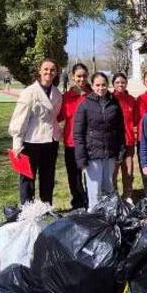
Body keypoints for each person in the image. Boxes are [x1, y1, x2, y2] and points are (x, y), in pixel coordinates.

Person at [8, 58, 63, 205]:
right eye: (46, 69)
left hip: (50, 142)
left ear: (56, 72)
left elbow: (54, 118)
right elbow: (19, 119)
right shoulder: (29, 92)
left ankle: (46, 207)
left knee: (48, 177)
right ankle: (27, 210)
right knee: (28, 178)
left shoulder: (57, 93)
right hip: (30, 141)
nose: (49, 72)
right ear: (39, 71)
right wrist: (16, 144)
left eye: (52, 70)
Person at [74, 72, 125, 208]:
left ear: (107, 85)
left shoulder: (114, 103)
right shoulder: (85, 105)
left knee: (109, 188)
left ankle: (109, 219)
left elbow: (120, 130)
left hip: (110, 153)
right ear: (92, 86)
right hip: (93, 155)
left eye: (103, 85)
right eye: (97, 85)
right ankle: (94, 218)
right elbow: (78, 134)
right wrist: (81, 158)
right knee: (94, 191)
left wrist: (121, 151)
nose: (101, 88)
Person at [58, 63, 91, 210]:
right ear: (73, 77)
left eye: (84, 76)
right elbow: (57, 117)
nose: (82, 79)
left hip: (90, 141)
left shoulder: (94, 95)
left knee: (91, 174)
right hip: (71, 142)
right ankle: (78, 201)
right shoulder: (66, 97)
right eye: (78, 76)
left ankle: (93, 200)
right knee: (74, 175)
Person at [111, 72, 137, 201]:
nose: (120, 84)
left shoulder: (131, 100)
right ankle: (114, 197)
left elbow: (136, 120)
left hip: (128, 141)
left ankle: (127, 195)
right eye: (117, 82)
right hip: (114, 142)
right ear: (113, 85)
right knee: (113, 172)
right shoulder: (109, 99)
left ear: (126, 83)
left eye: (123, 82)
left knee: (128, 171)